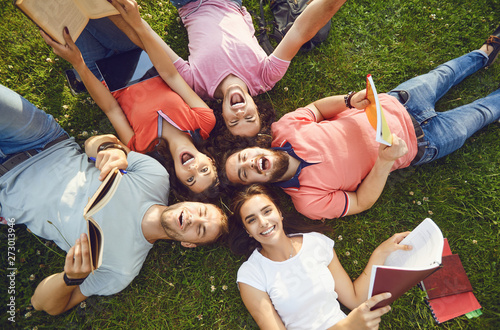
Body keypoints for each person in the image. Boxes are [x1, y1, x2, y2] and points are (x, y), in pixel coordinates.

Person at [222, 25, 500, 220]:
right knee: (483, 113)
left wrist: (348, 100)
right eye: (246, 173)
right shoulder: (307, 201)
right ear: (258, 185)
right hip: (425, 143)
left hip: (400, 100)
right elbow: (361, 202)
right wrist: (383, 162)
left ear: (254, 149)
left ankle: (484, 54)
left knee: (447, 72)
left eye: (244, 158)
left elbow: (316, 109)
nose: (249, 163)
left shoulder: (284, 129)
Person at [0, 84, 229, 315]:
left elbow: (43, 305)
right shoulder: (156, 177)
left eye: (200, 230)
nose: (193, 220)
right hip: (43, 142)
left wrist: (70, 279)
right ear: (189, 202)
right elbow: (92, 145)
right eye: (201, 212)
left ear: (188, 243)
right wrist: (109, 148)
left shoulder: (122, 270)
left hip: (7, 192)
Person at [41, 1, 220, 200]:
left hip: (101, 71)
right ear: (210, 160)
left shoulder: (142, 149)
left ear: (177, 177)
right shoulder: (204, 122)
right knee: (88, 5)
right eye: (204, 170)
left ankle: (77, 74)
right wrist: (137, 26)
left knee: (65, 17)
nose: (193, 168)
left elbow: (112, 109)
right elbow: (172, 76)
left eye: (190, 179)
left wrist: (79, 64)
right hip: (134, 50)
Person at [111, 0, 347, 137]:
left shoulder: (198, 87)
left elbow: (153, 46)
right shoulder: (266, 77)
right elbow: (299, 32)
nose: (239, 113)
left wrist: (132, 19)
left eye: (234, 121)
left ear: (222, 115)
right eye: (249, 117)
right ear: (258, 108)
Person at [229, 184, 412, 329]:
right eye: (251, 220)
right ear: (248, 231)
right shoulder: (251, 273)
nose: (263, 222)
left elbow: (355, 299)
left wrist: (379, 253)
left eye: (267, 211)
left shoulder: (316, 243)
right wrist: (347, 326)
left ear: (280, 213)